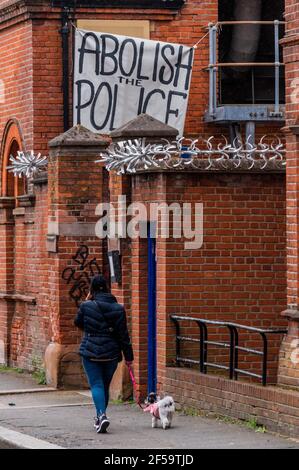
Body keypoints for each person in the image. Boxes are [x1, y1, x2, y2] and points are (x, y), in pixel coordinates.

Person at [74, 275, 134, 433]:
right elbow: (123, 335)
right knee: (104, 385)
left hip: (90, 350)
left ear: (92, 288)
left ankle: (101, 415)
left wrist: (87, 301)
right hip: (111, 353)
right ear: (107, 288)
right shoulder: (119, 308)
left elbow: (78, 323)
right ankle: (100, 418)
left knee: (96, 384)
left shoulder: (87, 306)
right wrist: (129, 357)